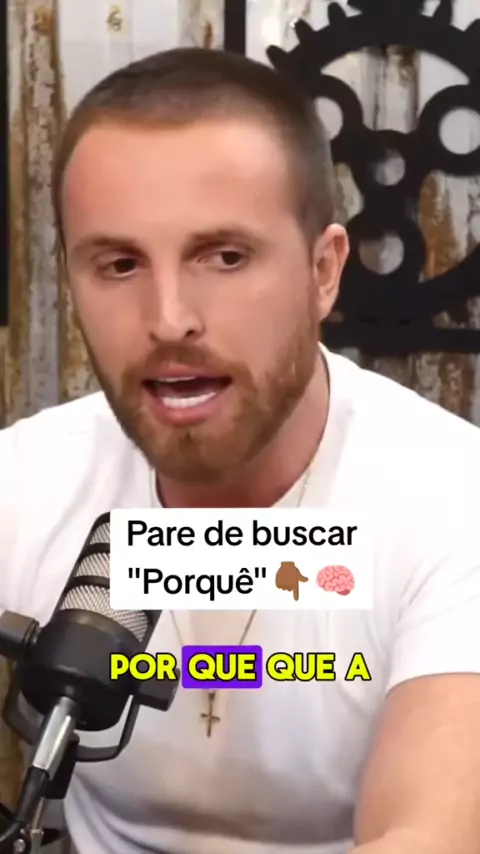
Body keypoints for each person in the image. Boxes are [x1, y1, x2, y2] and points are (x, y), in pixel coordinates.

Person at [1, 45, 480, 854]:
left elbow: (430, 833)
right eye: (119, 263)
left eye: (224, 256)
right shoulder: (27, 479)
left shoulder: (452, 499)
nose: (170, 319)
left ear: (323, 272)